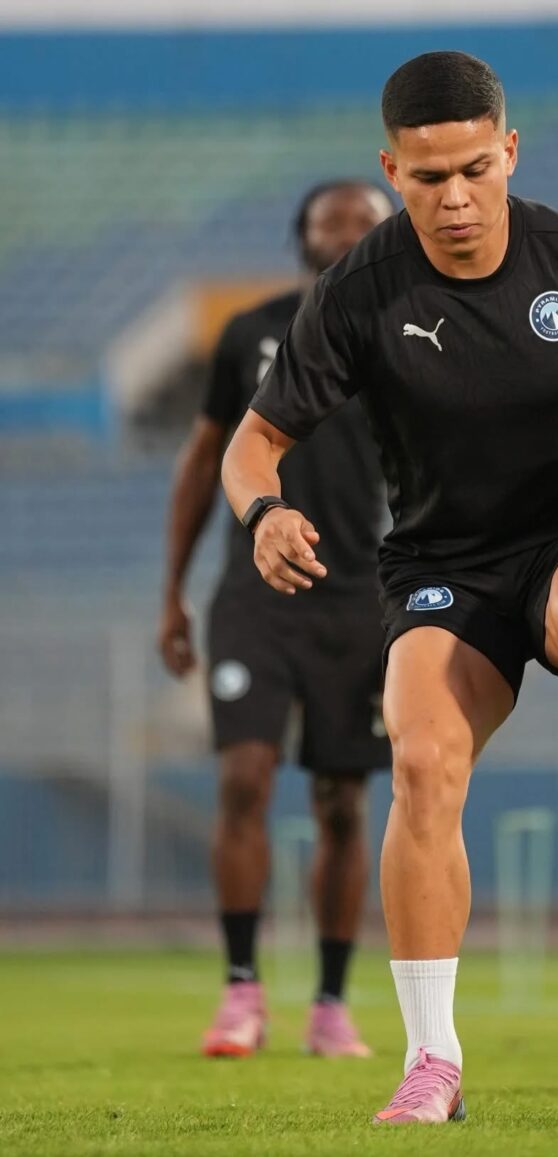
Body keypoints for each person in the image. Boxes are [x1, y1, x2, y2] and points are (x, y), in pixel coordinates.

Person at [221, 52, 558, 1121]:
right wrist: (266, 515)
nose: (454, 198)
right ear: (391, 170)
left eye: (475, 170)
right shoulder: (359, 291)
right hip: (443, 563)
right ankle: (431, 1062)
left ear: (510, 152)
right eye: (428, 177)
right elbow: (252, 444)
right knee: (420, 762)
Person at [158, 179, 394, 1059]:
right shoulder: (250, 333)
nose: (347, 231)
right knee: (244, 777)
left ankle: (330, 1003)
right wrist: (171, 591)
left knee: (341, 801)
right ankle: (241, 990)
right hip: (253, 594)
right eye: (332, 219)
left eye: (366, 220)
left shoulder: (409, 335)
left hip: (358, 594)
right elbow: (202, 461)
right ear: (302, 236)